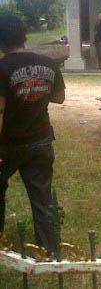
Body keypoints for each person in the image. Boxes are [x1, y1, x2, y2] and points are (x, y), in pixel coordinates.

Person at [0, 15, 65, 254]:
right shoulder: (48, 64)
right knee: (41, 196)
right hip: (41, 140)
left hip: (8, 145)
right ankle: (49, 250)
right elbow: (59, 97)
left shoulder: (2, 68)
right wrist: (35, 90)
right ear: (24, 37)